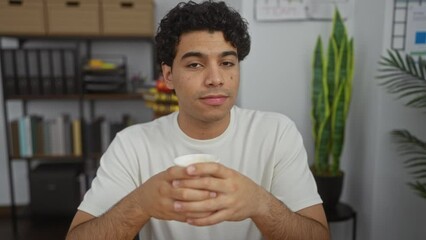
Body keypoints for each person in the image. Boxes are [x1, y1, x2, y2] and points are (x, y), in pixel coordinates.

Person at [66, 1, 329, 239]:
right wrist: (141, 203)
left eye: (227, 63)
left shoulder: (276, 133)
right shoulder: (132, 144)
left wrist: (260, 203)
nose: (216, 79)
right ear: (168, 75)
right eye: (195, 65)